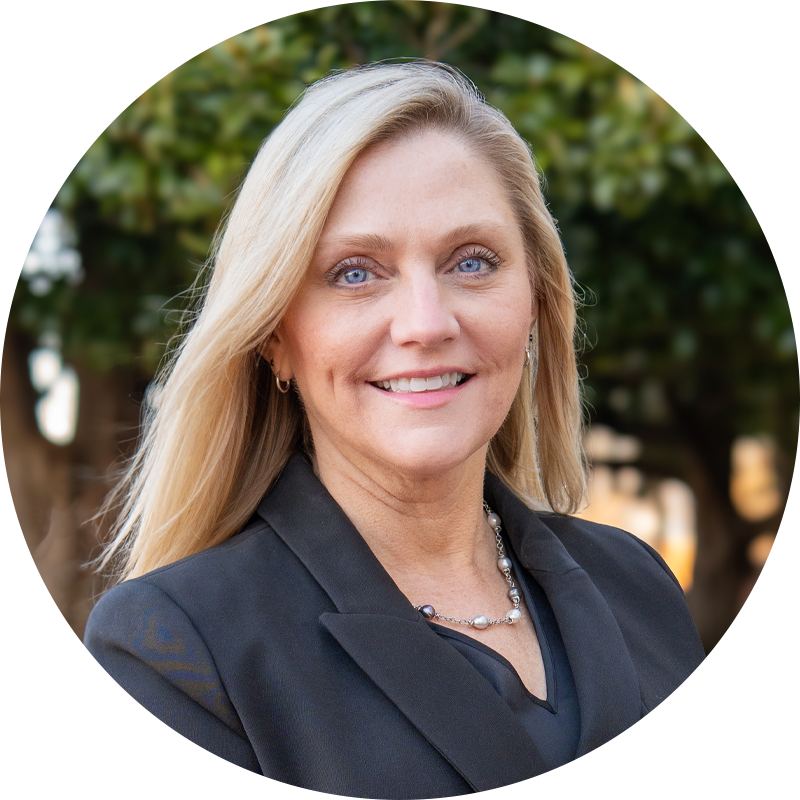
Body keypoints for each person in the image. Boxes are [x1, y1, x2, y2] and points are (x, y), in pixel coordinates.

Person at [84, 62, 704, 798]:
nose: (426, 325)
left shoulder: (638, 583)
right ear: (275, 336)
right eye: (354, 273)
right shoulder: (175, 649)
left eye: (471, 262)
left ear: (535, 301)